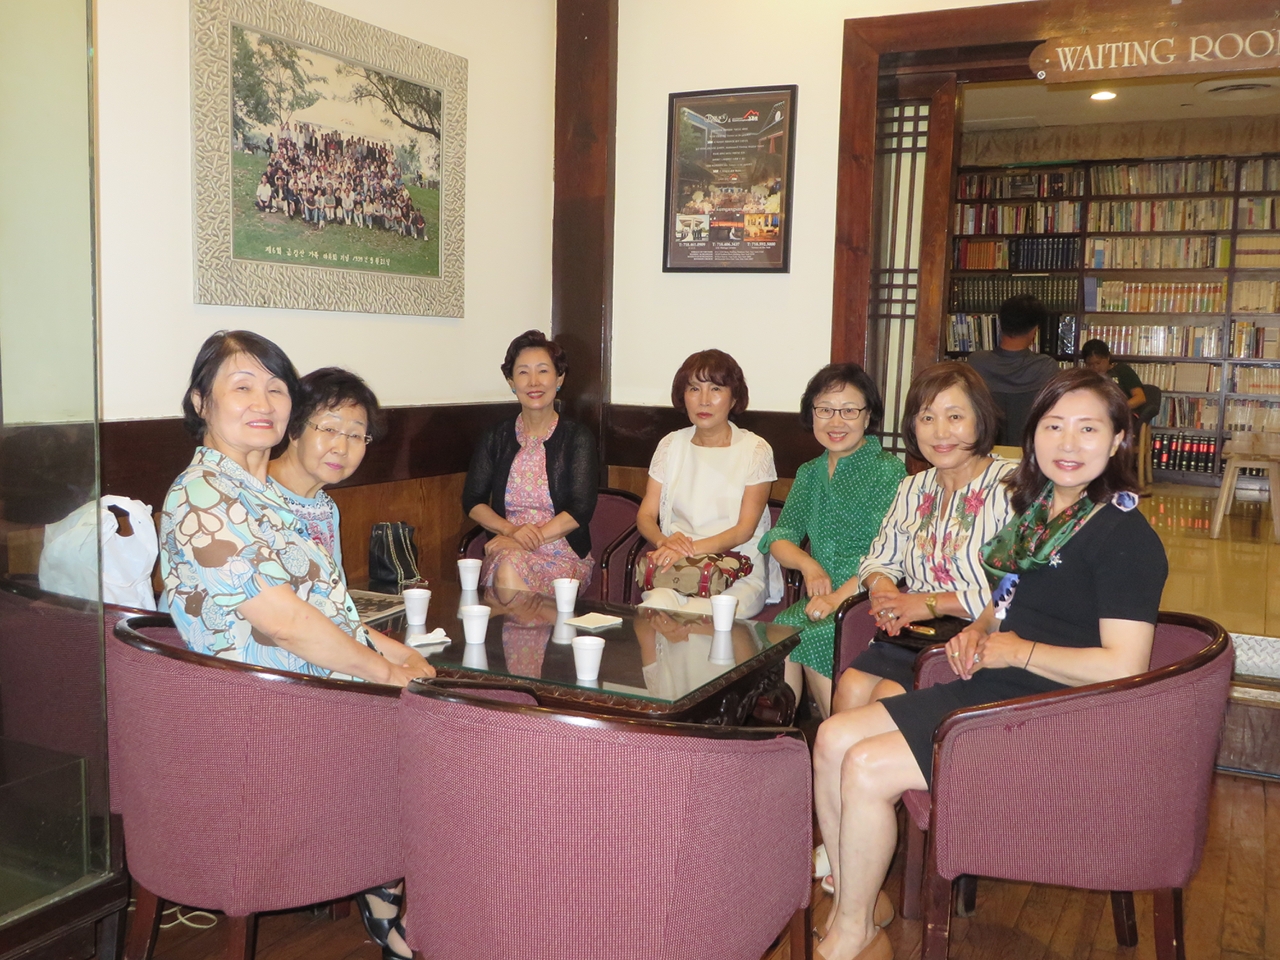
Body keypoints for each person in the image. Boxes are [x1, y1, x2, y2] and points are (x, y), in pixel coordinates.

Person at [810, 368, 1168, 960]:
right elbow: (1002, 601)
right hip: (997, 684)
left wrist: (1017, 650)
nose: (1068, 442)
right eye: (1053, 426)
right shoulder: (1041, 514)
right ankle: (859, 904)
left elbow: (1125, 668)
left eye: (1087, 429)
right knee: (831, 738)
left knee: (867, 766)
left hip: (1058, 714)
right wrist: (980, 629)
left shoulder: (1124, 535)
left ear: (1117, 441)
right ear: (1033, 437)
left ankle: (851, 933)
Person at [161, 335, 425, 960]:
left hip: (313, 697)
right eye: (242, 387)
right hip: (265, 721)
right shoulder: (203, 494)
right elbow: (283, 623)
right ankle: (403, 897)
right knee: (452, 743)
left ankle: (396, 885)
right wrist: (385, 672)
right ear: (201, 401)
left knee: (456, 710)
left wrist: (394, 654)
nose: (263, 402)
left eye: (275, 388)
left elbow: (325, 611)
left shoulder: (271, 498)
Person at [833, 362, 1017, 713]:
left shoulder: (1011, 488)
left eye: (955, 417)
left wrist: (929, 603)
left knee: (885, 695)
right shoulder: (912, 487)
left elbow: (1015, 590)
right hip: (913, 632)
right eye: (927, 418)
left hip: (977, 636)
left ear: (980, 420)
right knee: (851, 686)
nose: (940, 432)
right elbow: (877, 559)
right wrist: (885, 593)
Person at [758, 363, 905, 718]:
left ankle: (832, 729)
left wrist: (838, 598)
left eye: (849, 410)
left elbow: (887, 555)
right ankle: (787, 734)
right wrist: (808, 565)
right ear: (811, 414)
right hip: (820, 599)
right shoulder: (810, 472)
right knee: (778, 634)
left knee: (814, 637)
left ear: (868, 416)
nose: (835, 421)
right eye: (825, 409)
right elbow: (781, 535)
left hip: (869, 596)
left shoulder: (888, 470)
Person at [635, 349, 780, 619]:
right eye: (694, 389)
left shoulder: (755, 449)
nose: (704, 400)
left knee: (701, 617)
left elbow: (744, 531)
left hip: (738, 569)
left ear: (734, 397)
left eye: (715, 389)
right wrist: (664, 541)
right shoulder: (670, 445)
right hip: (678, 569)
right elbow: (645, 515)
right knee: (652, 610)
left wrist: (686, 549)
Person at [462, 330, 598, 597]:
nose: (534, 382)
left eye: (543, 371)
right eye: (523, 372)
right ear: (511, 382)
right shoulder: (496, 436)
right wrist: (511, 532)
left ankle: (517, 623)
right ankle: (545, 623)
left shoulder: (577, 437)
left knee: (506, 575)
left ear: (559, 379)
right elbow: (473, 501)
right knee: (507, 565)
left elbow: (580, 509)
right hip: (507, 545)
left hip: (564, 554)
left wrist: (528, 541)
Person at [267, 366, 382, 575]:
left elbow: (334, 589)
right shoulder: (255, 496)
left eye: (355, 436)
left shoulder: (325, 508)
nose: (342, 449)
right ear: (294, 430)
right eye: (329, 429)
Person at [966, 293, 1060, 445]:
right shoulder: (1047, 367)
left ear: (1000, 325)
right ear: (1034, 331)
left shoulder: (975, 363)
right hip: (1029, 452)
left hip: (986, 451)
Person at [1081, 338, 1148, 412]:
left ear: (1108, 358)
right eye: (1090, 365)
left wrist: (1118, 409)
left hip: (1122, 412)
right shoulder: (1087, 377)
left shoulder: (1122, 370)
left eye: (1098, 363)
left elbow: (1140, 398)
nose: (1095, 368)